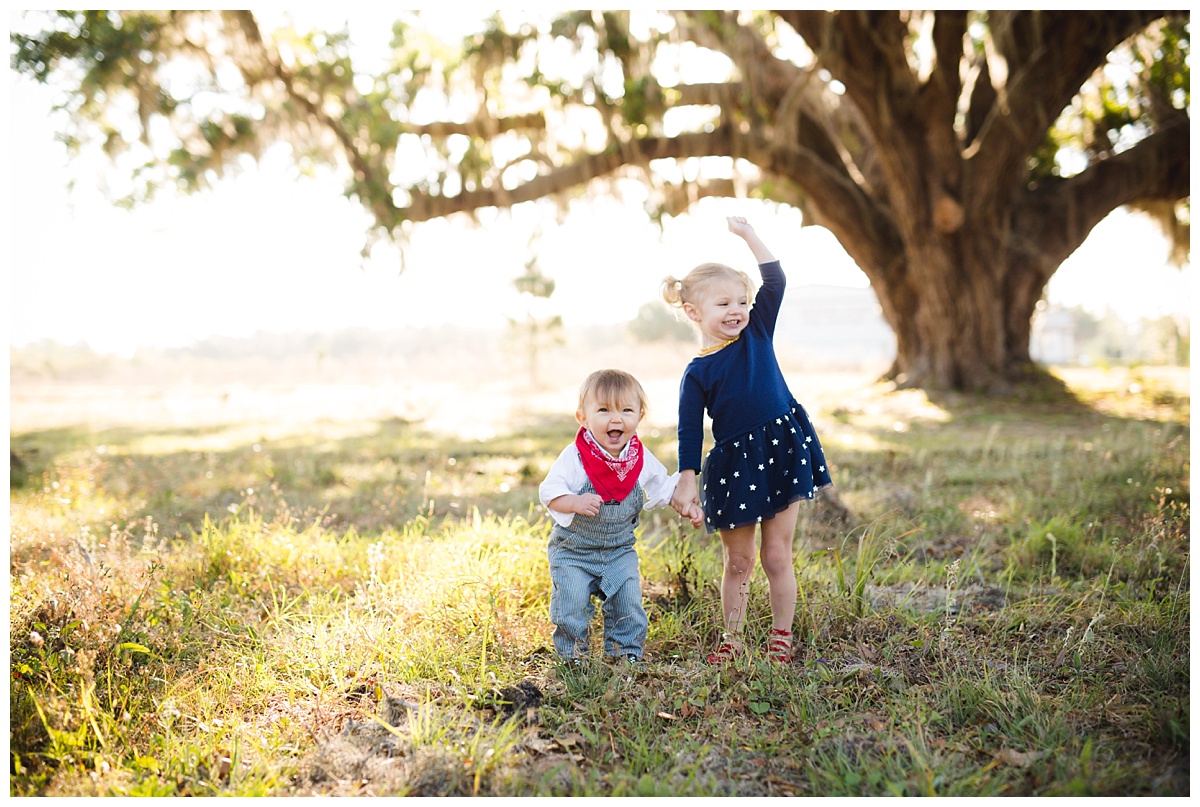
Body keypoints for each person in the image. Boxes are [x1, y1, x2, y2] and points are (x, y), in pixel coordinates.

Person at [662, 216, 833, 665]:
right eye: (724, 303)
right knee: (739, 562)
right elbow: (689, 432)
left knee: (777, 554)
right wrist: (686, 479)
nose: (737, 309)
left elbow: (775, 278)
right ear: (694, 312)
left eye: (741, 300)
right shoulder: (697, 373)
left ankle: (781, 634)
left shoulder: (757, 332)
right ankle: (732, 637)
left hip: (781, 449)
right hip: (735, 465)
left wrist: (748, 236)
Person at [539, 369, 703, 664]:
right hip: (574, 551)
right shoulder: (575, 457)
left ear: (639, 416)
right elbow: (548, 492)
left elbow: (663, 488)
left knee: (628, 601)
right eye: (603, 410)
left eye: (626, 410)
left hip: (618, 550)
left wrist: (687, 506)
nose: (616, 419)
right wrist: (574, 501)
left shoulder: (638, 458)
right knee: (572, 602)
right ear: (583, 418)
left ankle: (624, 652)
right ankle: (573, 655)